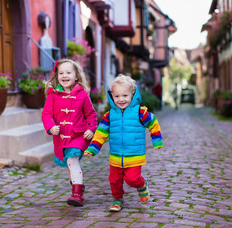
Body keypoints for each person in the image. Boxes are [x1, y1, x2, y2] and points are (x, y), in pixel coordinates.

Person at [84, 75, 163, 212]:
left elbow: (153, 123)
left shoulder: (140, 112)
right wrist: (92, 149)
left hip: (134, 155)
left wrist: (156, 141)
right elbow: (101, 133)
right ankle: (117, 199)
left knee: (132, 179)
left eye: (125, 95)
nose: (121, 99)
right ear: (112, 96)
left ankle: (141, 185)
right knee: (114, 180)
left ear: (132, 94)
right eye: (117, 96)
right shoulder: (109, 116)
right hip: (115, 155)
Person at [42, 58, 97, 207]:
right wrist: (51, 127)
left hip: (78, 135)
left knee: (72, 160)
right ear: (57, 76)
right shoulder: (53, 95)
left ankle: (77, 194)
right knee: (68, 164)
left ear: (76, 76)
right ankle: (77, 186)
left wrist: (91, 129)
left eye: (68, 72)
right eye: (61, 73)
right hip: (61, 138)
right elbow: (46, 114)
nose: (64, 76)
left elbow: (91, 114)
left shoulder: (82, 95)